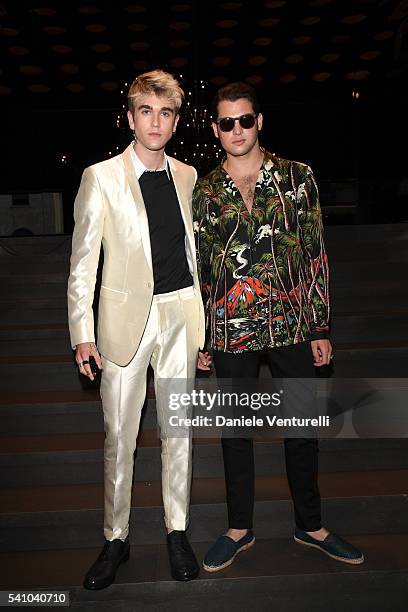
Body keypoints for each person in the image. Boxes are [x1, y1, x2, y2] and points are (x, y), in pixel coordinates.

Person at [193, 82, 364, 571]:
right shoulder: (206, 190)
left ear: (260, 121)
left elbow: (313, 254)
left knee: (301, 429)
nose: (237, 130)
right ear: (216, 129)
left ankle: (310, 525)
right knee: (234, 432)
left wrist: (320, 327)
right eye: (227, 123)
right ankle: (238, 529)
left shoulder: (298, 177)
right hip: (230, 327)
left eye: (245, 120)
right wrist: (203, 336)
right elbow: (203, 268)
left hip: (291, 323)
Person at [67, 69, 206, 589]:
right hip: (124, 324)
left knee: (179, 434)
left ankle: (177, 531)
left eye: (165, 112)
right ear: (130, 118)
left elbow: (193, 256)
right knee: (120, 437)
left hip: (178, 318)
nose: (155, 121)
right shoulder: (99, 177)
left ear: (174, 122)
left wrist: (202, 331)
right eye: (145, 111)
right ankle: (115, 539)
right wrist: (82, 331)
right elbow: (83, 262)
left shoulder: (189, 176)